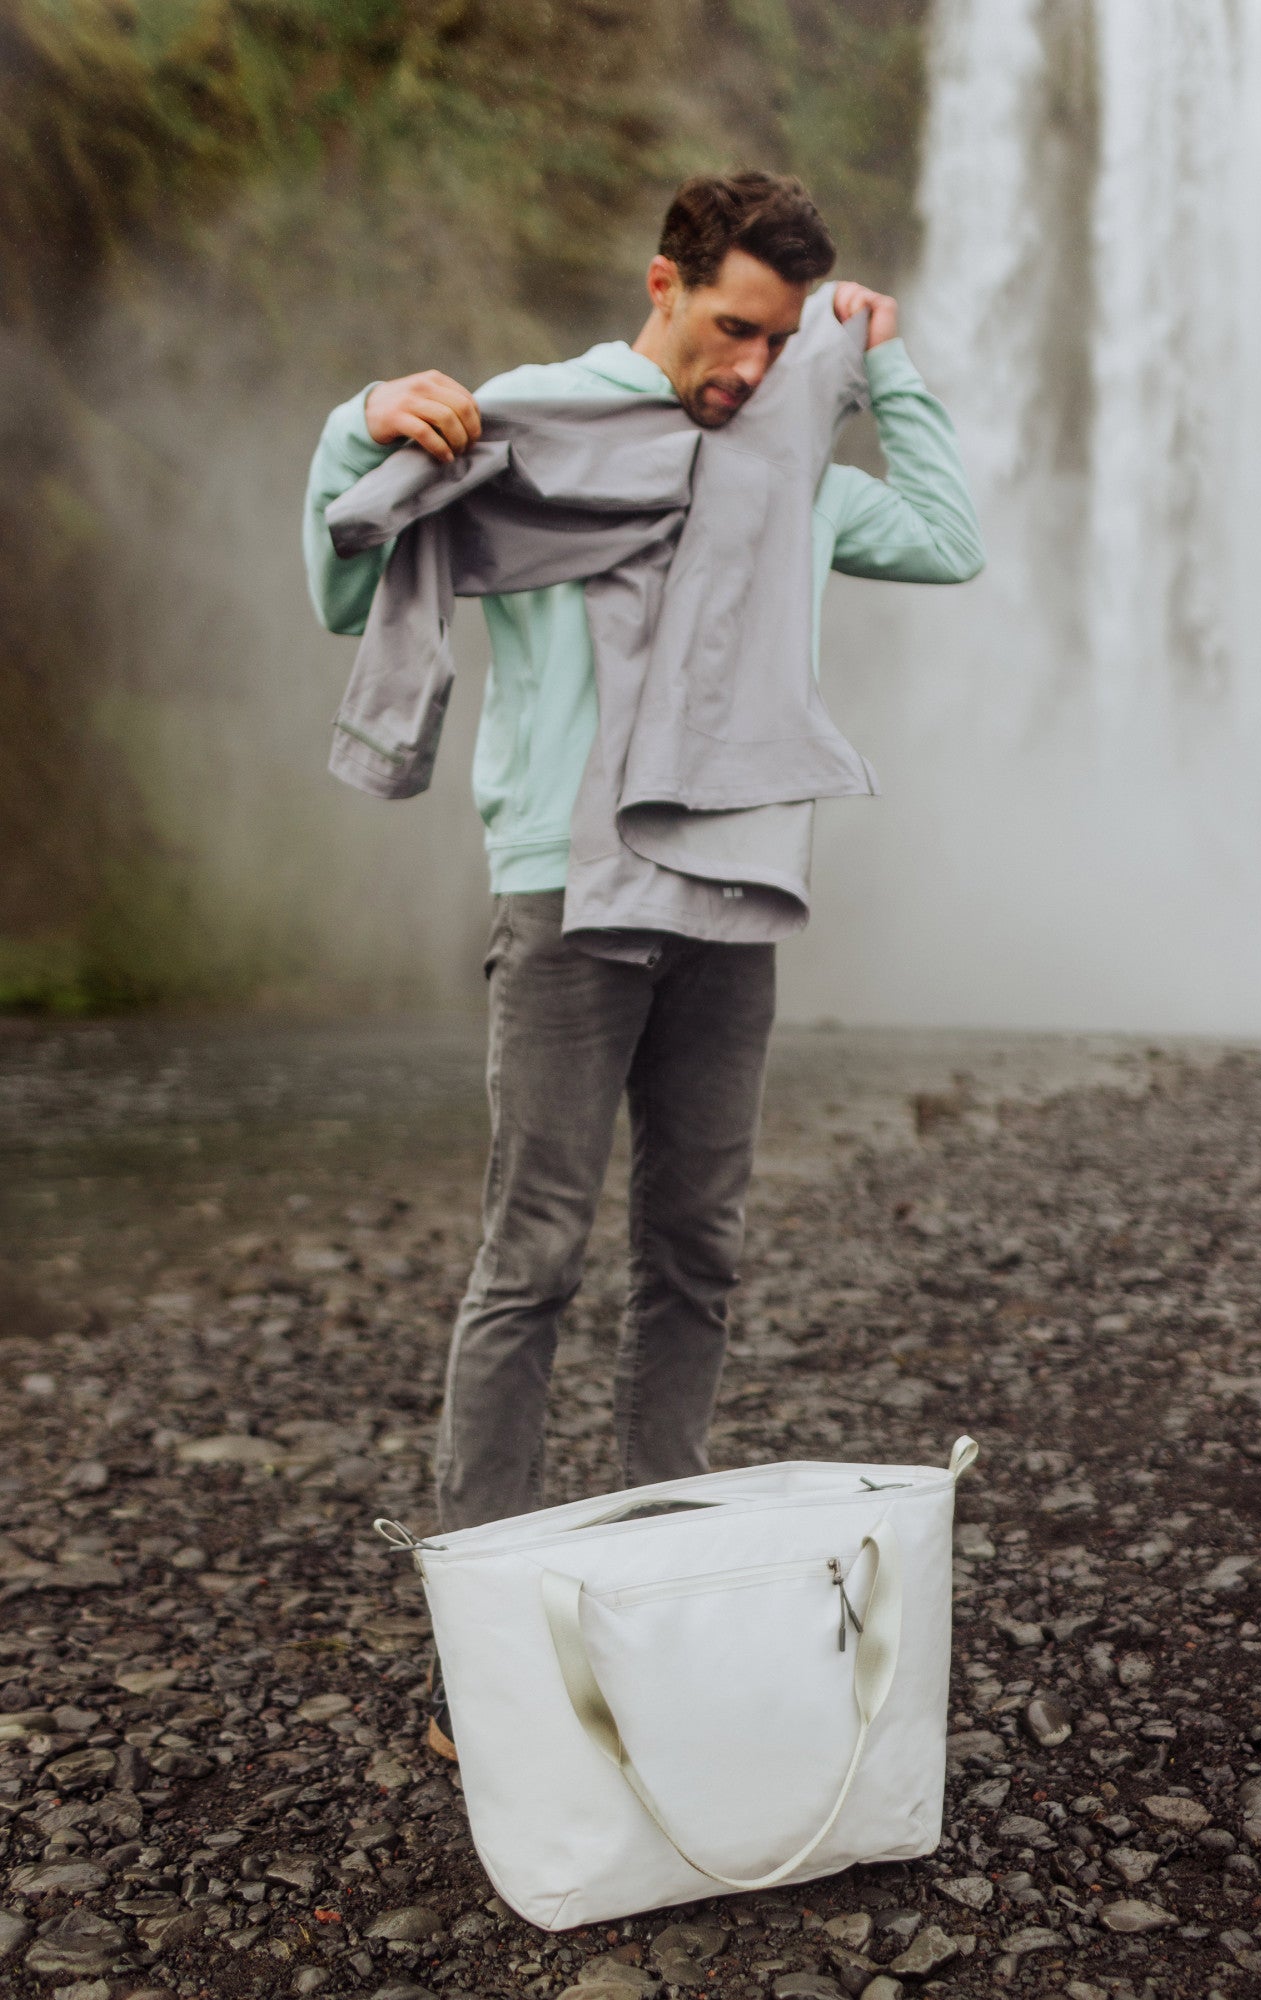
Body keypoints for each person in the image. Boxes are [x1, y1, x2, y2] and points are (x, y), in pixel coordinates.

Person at [303, 170, 985, 1758]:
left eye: (775, 341)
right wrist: (361, 420)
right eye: (730, 329)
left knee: (695, 1254)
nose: (745, 369)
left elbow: (949, 543)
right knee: (530, 1258)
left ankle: (648, 1590)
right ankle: (484, 1631)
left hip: (730, 895)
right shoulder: (539, 422)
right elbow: (355, 569)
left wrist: (876, 371)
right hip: (563, 894)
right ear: (664, 282)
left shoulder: (789, 465)